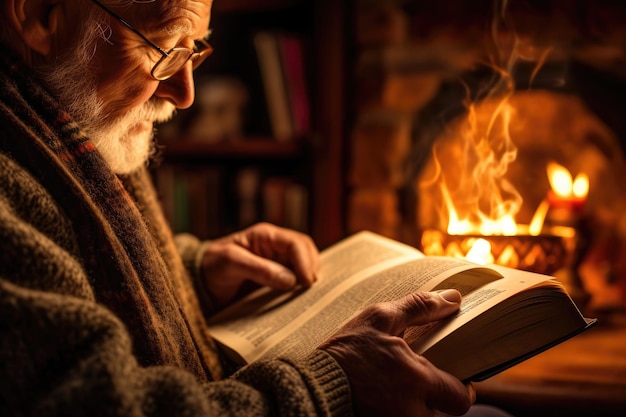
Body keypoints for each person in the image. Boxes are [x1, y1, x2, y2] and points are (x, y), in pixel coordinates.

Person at [0, 0, 490, 416]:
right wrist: (332, 385)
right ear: (42, 14)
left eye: (195, 49)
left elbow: (62, 271)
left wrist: (194, 276)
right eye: (164, 47)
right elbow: (93, 403)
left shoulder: (55, 123)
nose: (185, 93)